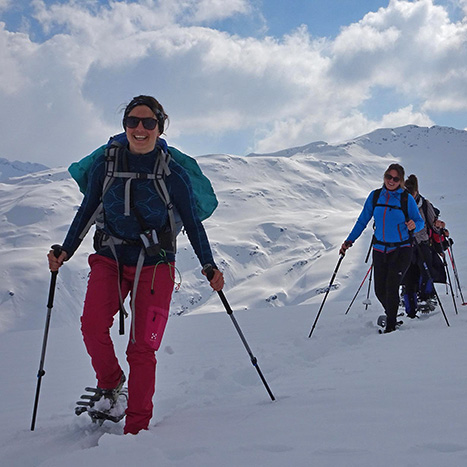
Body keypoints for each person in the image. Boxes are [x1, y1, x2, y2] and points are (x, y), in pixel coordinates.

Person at [48, 95, 224, 435]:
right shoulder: (106, 164)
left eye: (148, 123)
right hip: (110, 258)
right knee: (91, 324)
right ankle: (112, 383)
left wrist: (209, 265)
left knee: (142, 347)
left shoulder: (172, 172)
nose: (139, 129)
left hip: (156, 264)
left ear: (160, 126)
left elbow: (192, 220)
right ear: (124, 125)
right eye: (133, 122)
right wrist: (65, 250)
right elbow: (86, 211)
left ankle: (137, 431)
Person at [339, 164, 424, 333]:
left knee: (392, 286)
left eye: (395, 178)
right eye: (388, 177)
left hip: (402, 248)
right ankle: (392, 315)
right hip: (379, 249)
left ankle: (391, 327)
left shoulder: (406, 198)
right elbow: (362, 221)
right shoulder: (375, 196)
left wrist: (415, 224)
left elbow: (419, 221)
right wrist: (349, 241)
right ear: (384, 177)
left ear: (400, 181)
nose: (391, 181)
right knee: (379, 290)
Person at [402, 174, 447, 316]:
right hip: (406, 245)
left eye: (412, 192)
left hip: (423, 244)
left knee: (426, 272)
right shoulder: (400, 205)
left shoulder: (425, 204)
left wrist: (438, 226)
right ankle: (410, 303)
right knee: (408, 275)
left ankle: (425, 297)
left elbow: (433, 224)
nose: (411, 195)